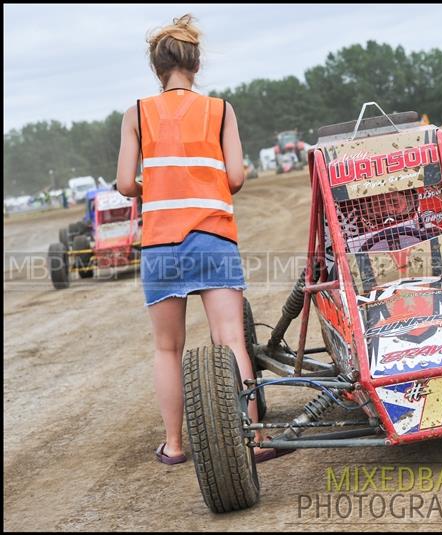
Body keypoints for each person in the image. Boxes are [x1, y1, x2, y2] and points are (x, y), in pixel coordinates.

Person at [116, 14, 283, 465]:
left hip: (161, 245)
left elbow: (125, 183)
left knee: (167, 348)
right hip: (212, 237)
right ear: (195, 64)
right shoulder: (222, 110)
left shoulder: (135, 113)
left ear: (157, 68)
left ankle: (174, 445)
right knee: (230, 339)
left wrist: (158, 186)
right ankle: (257, 438)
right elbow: (234, 177)